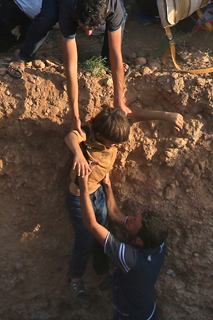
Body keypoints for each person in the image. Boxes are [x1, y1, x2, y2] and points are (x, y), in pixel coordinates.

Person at [61, 106, 182, 302]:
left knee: (103, 240)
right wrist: (78, 155)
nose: (115, 146)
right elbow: (71, 137)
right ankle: (75, 277)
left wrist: (167, 115)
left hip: (98, 194)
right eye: (113, 143)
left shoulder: (116, 125)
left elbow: (137, 116)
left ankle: (101, 274)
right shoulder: (90, 133)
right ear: (101, 135)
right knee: (84, 242)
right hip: (79, 198)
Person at [11, 0, 131, 122]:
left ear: (106, 13)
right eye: (84, 28)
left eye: (93, 29)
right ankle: (24, 54)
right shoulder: (68, 7)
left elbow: (117, 53)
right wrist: (74, 114)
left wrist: (119, 102)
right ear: (75, 14)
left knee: (120, 25)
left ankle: (106, 62)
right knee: (47, 17)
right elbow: (71, 64)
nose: (88, 35)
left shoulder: (113, 8)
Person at [75, 170, 169, 320]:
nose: (130, 219)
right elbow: (114, 215)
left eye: (133, 221)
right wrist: (108, 186)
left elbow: (91, 225)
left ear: (139, 241)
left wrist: (83, 186)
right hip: (147, 314)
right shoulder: (158, 241)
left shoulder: (130, 258)